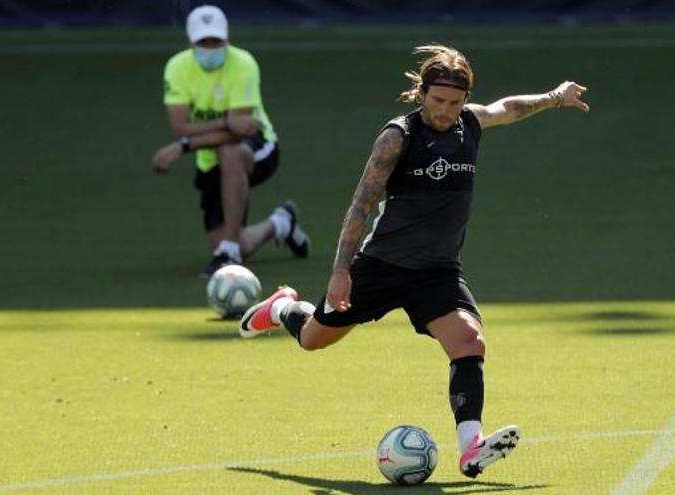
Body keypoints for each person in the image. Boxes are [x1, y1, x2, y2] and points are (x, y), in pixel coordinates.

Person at [239, 45, 589, 478]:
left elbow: (508, 108)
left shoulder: (469, 124)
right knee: (313, 339)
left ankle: (471, 448)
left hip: (436, 271)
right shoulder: (396, 138)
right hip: (382, 266)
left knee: (469, 342)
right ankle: (281, 307)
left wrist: (555, 96)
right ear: (421, 93)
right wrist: (341, 271)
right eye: (438, 100)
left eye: (455, 103)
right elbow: (361, 206)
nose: (445, 111)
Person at [151, 5, 309, 277]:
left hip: (258, 147)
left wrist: (185, 146)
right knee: (237, 241)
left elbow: (242, 131)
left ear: (227, 39)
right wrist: (224, 122)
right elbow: (179, 126)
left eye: (216, 41)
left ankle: (228, 253)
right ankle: (280, 224)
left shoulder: (243, 64)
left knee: (230, 150)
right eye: (203, 42)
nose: (210, 47)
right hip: (209, 158)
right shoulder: (177, 68)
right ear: (190, 41)